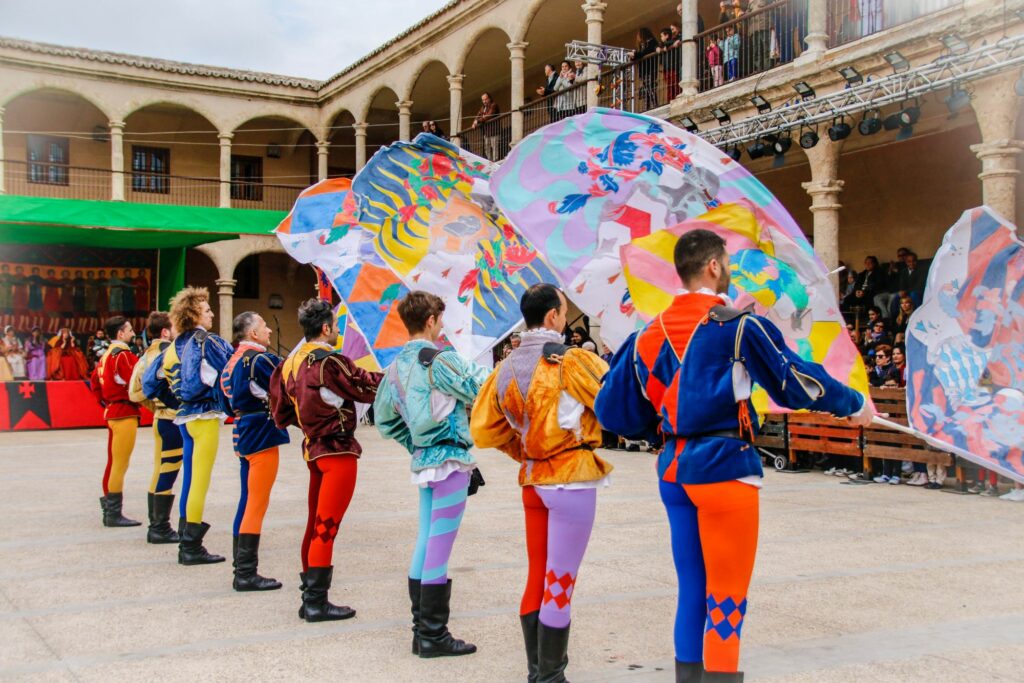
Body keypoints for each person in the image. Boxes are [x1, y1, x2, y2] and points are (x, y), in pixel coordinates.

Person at [595, 230, 872, 681]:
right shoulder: (740, 325)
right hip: (725, 467)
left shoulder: (645, 335)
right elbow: (796, 381)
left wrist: (662, 428)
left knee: (692, 590)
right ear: (713, 266)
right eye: (726, 262)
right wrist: (853, 404)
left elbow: (612, 410)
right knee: (726, 598)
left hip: (673, 469)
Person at [471, 283, 613, 683]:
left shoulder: (505, 366)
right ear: (552, 316)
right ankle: (550, 677)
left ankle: (538, 673)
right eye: (564, 311)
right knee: (561, 581)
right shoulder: (570, 361)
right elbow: (614, 403)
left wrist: (525, 450)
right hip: (569, 478)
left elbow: (484, 429)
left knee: (538, 574)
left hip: (533, 480)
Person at [374, 291, 486, 658]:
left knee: (427, 539)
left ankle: (422, 630)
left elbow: (385, 419)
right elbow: (479, 386)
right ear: (430, 320)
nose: (442, 324)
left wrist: (416, 442)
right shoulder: (438, 360)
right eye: (440, 317)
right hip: (450, 459)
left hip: (425, 461)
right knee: (438, 546)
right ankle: (432, 635)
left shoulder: (395, 367)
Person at [270, 298, 382, 622]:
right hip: (337, 449)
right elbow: (363, 384)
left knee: (315, 523)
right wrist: (396, 377)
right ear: (325, 328)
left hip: (313, 447)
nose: (336, 331)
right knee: (326, 527)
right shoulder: (328, 361)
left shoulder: (290, 363)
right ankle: (317, 602)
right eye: (334, 326)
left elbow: (279, 410)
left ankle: (310, 594)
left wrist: (309, 424)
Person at [220, 311, 289, 592]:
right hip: (261, 431)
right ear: (252, 333)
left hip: (243, 429)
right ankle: (246, 573)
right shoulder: (258, 359)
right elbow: (285, 384)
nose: (269, 331)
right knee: (257, 502)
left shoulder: (233, 360)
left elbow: (223, 398)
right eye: (264, 327)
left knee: (248, 499)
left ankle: (241, 567)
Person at [164, 286, 232, 566]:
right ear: (194, 314)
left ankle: (185, 537)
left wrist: (175, 396)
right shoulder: (208, 342)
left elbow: (151, 382)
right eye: (206, 310)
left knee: (190, 480)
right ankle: (191, 546)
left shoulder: (174, 345)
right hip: (205, 414)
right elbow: (231, 368)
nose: (212, 313)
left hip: (183, 416)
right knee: (199, 483)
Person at [130, 311, 182, 544]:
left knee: (160, 469)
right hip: (172, 418)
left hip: (160, 418)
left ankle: (156, 524)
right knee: (168, 471)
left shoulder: (145, 356)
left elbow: (135, 392)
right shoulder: (168, 353)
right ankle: (159, 527)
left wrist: (155, 407)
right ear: (165, 331)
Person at [90, 316, 143, 527]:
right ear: (120, 333)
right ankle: (113, 512)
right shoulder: (123, 355)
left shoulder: (105, 356)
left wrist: (106, 401)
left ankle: (109, 506)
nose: (132, 333)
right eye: (129, 329)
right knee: (120, 464)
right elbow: (136, 381)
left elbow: (94, 383)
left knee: (113, 462)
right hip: (124, 412)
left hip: (112, 410)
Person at [634, 28, 660, 109]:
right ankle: (647, 107)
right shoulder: (644, 45)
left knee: (650, 88)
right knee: (646, 89)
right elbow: (641, 53)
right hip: (644, 71)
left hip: (650, 70)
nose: (638, 38)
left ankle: (654, 106)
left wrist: (635, 54)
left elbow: (645, 52)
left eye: (639, 36)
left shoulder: (652, 42)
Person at [471, 92, 501, 161]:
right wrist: (474, 122)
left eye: (486, 99)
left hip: (494, 131)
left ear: (489, 98)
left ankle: (495, 161)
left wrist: (478, 121)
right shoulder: (483, 108)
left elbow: (488, 116)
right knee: (487, 148)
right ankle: (489, 161)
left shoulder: (494, 105)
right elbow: (477, 116)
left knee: (494, 147)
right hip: (487, 132)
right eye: (483, 100)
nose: (484, 101)